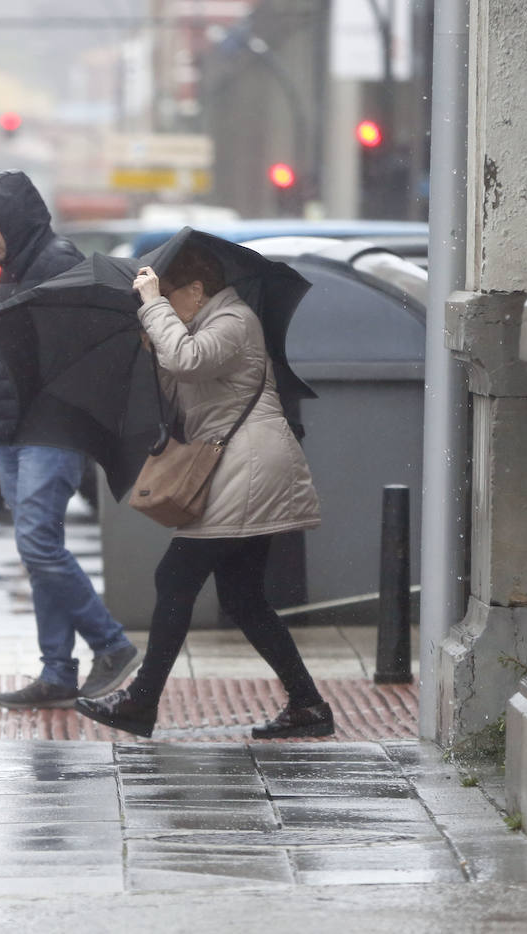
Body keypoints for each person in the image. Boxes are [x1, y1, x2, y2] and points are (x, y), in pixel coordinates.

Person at [74, 245, 333, 739]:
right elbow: (181, 396)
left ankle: (140, 702)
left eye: (171, 295)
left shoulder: (234, 320)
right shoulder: (203, 326)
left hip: (250, 467)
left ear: (196, 289)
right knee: (243, 598)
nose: (166, 304)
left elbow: (188, 360)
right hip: (237, 465)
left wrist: (153, 305)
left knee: (175, 575)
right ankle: (308, 705)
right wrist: (155, 350)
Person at [0, 170, 140, 709]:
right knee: (40, 551)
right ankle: (58, 671)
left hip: (50, 426)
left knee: (37, 543)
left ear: (14, 222)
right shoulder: (16, 266)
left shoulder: (56, 263)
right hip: (17, 426)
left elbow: (69, 353)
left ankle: (111, 646)